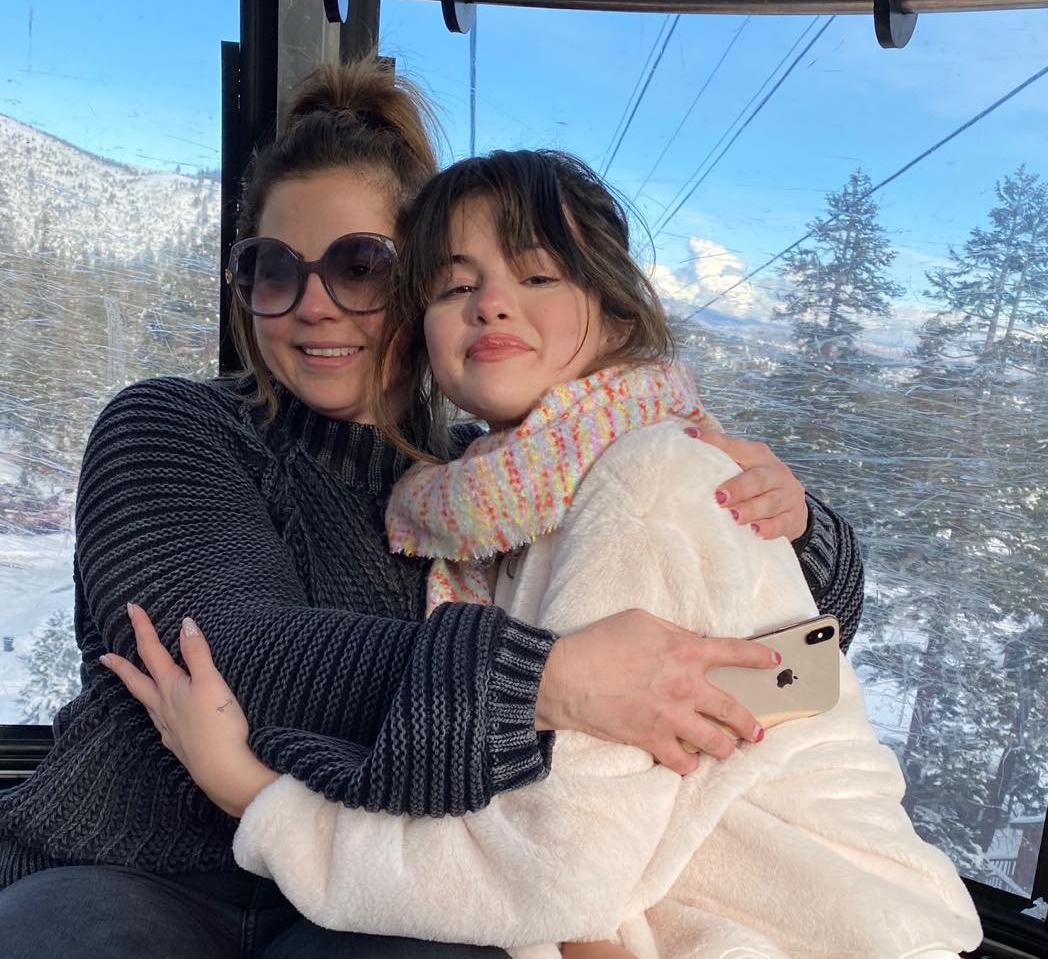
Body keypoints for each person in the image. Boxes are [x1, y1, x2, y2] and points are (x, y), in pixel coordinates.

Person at [0, 60, 864, 958]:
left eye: (359, 266)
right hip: (133, 868)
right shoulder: (172, 426)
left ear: (422, 290)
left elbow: (770, 634)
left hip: (381, 874)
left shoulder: (491, 490)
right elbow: (228, 653)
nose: (313, 305)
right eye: (273, 269)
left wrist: (788, 523)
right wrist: (554, 681)